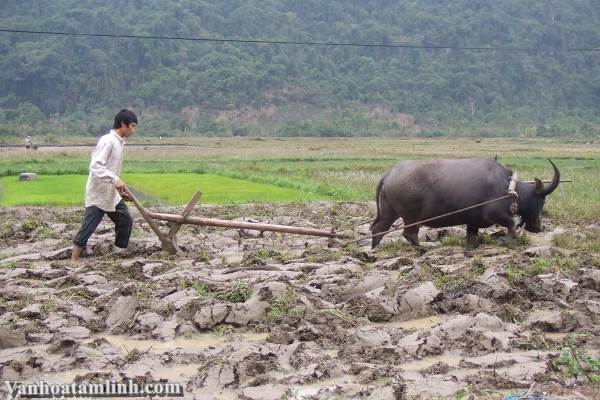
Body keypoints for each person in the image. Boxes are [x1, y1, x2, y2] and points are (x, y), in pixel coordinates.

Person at [71, 109, 138, 262]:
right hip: (98, 192)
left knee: (125, 220)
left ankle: (118, 254)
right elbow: (95, 166)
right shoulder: (107, 141)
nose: (133, 130)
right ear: (122, 124)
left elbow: (111, 169)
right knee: (89, 226)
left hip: (111, 194)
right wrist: (115, 180)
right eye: (132, 126)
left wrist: (119, 189)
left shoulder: (119, 143)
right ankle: (73, 260)